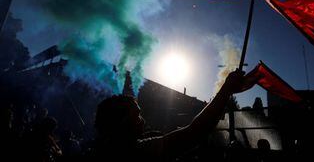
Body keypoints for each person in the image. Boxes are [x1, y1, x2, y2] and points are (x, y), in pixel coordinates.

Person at [92, 69, 259, 161]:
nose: (142, 121)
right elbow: (194, 133)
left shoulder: (98, 151)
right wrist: (226, 90)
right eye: (136, 116)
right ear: (122, 123)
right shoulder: (135, 152)